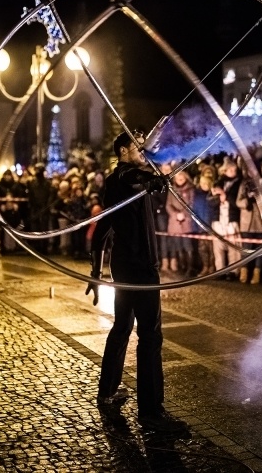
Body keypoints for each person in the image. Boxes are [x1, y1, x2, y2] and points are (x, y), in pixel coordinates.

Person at [86, 132, 188, 434]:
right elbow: (133, 176)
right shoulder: (124, 178)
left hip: (125, 266)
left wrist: (96, 270)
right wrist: (152, 178)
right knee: (150, 336)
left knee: (122, 326)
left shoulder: (119, 182)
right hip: (140, 268)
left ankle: (107, 390)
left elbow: (103, 227)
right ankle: (151, 413)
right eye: (137, 147)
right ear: (122, 150)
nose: (143, 152)